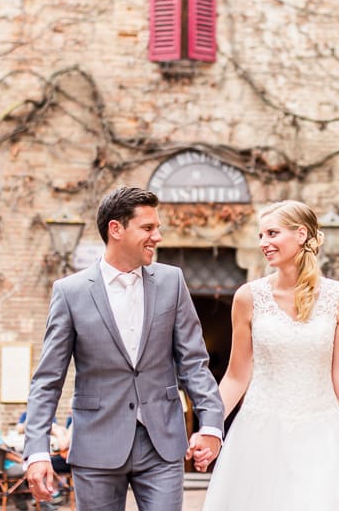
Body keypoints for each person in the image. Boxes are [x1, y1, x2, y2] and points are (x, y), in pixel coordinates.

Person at [23, 186, 225, 511]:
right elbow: (48, 380)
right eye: (148, 228)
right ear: (116, 229)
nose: (157, 236)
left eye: (157, 228)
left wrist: (211, 425)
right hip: (96, 444)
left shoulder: (172, 282)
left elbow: (194, 364)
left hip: (162, 443)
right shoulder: (70, 292)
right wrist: (36, 451)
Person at [196, 200, 339, 510]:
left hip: (321, 434)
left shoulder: (338, 297)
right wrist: (209, 428)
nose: (264, 243)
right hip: (260, 434)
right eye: (261, 236)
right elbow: (235, 377)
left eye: (272, 233)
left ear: (301, 235)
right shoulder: (248, 298)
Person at [0, 408, 53, 511]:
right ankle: (43, 503)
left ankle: (22, 501)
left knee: (27, 466)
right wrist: (22, 461)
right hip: (7, 468)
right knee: (38, 470)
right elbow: (6, 454)